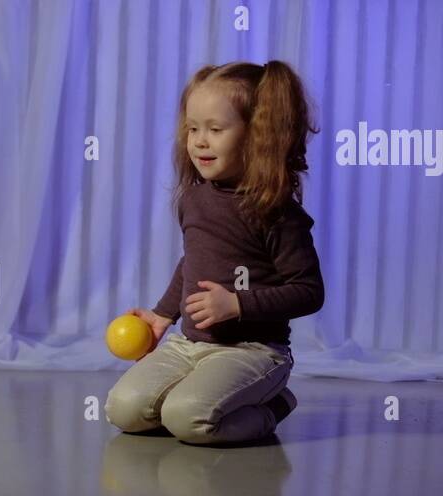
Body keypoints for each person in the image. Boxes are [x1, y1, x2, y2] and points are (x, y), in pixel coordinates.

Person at [105, 60, 324, 446]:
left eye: (215, 130)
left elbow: (309, 291)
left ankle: (273, 406)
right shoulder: (194, 198)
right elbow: (192, 260)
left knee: (188, 419)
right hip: (189, 345)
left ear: (256, 136)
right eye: (192, 129)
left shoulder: (277, 213)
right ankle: (200, 395)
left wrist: (238, 305)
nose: (199, 141)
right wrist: (161, 316)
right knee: (123, 410)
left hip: (253, 352)